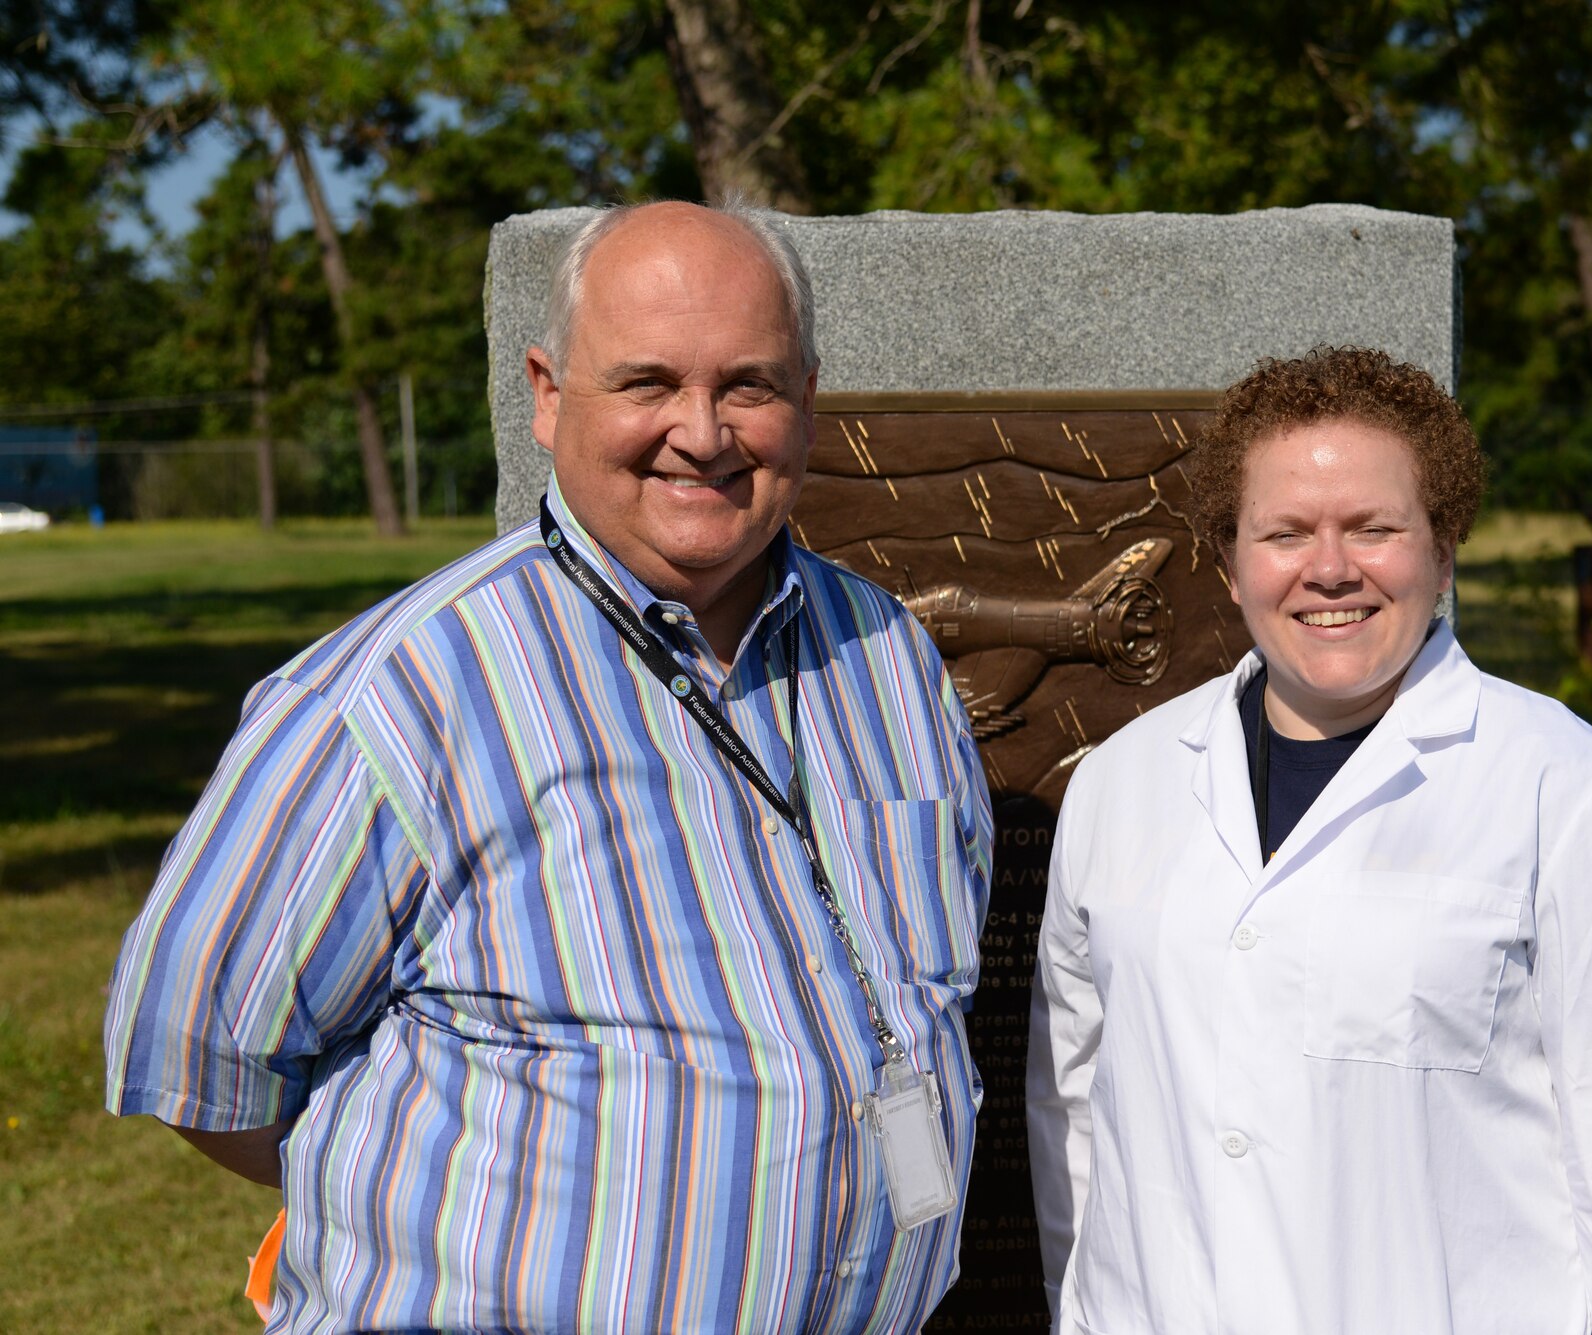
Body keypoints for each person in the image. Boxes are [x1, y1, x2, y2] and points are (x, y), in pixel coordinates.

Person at [105, 199, 993, 1333]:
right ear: (545, 393)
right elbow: (205, 1058)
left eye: (748, 385)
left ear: (808, 399)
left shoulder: (887, 657)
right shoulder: (395, 696)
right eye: (646, 383)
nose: (703, 431)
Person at [1026, 346, 1592, 1334]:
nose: (1328, 569)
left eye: (1372, 528)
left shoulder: (1573, 796)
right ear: (1227, 559)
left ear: (1441, 549)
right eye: (1283, 532)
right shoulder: (1122, 784)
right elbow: (1075, 1125)